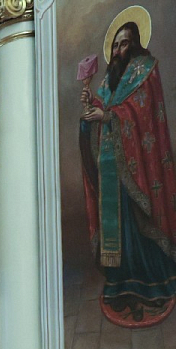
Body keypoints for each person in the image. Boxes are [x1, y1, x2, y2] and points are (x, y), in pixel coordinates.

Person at [80, 16, 176, 326]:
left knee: (138, 224)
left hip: (138, 168)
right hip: (110, 168)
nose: (118, 50)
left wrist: (107, 116)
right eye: (115, 45)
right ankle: (121, 286)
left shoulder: (145, 70)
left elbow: (143, 112)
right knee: (118, 227)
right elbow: (105, 108)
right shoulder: (110, 79)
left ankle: (154, 285)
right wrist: (91, 107)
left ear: (135, 44)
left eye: (124, 44)